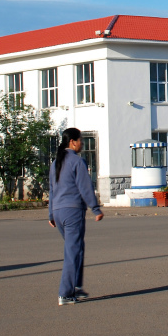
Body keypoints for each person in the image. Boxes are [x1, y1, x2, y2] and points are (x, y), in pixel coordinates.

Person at [48, 127, 104, 306]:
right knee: (72, 251)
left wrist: (51, 213)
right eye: (80, 140)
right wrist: (95, 208)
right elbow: (85, 187)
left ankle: (76, 286)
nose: (82, 143)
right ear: (72, 141)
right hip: (72, 211)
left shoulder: (56, 162)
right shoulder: (77, 162)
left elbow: (52, 189)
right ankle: (65, 293)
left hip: (58, 211)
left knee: (76, 248)